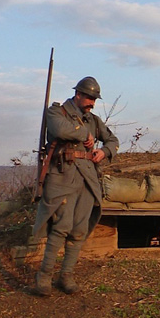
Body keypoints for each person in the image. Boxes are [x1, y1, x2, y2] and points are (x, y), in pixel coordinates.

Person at [32, 76, 119, 296]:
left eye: (94, 99)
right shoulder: (56, 112)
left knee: (79, 231)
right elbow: (61, 130)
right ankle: (44, 277)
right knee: (61, 228)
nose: (92, 103)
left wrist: (104, 152)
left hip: (87, 178)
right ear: (78, 94)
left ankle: (66, 276)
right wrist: (85, 134)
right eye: (89, 98)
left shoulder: (93, 119)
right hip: (63, 176)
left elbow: (113, 141)